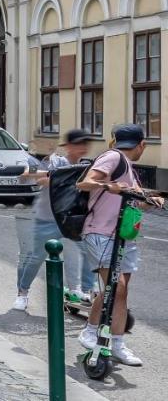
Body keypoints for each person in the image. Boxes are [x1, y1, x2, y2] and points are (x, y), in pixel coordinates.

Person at [76, 124, 165, 364]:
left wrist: (150, 200)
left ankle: (117, 345)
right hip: (101, 233)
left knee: (118, 292)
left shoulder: (128, 168)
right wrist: (109, 187)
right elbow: (85, 183)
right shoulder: (113, 157)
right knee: (118, 287)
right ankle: (90, 332)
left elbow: (136, 201)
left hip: (122, 236)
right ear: (141, 145)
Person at [13, 128, 97, 312]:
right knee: (36, 257)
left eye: (85, 144)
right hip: (47, 219)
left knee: (89, 251)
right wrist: (47, 176)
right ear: (67, 146)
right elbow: (33, 174)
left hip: (71, 219)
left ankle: (86, 290)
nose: (83, 148)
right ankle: (22, 292)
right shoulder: (55, 161)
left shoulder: (86, 166)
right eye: (78, 144)